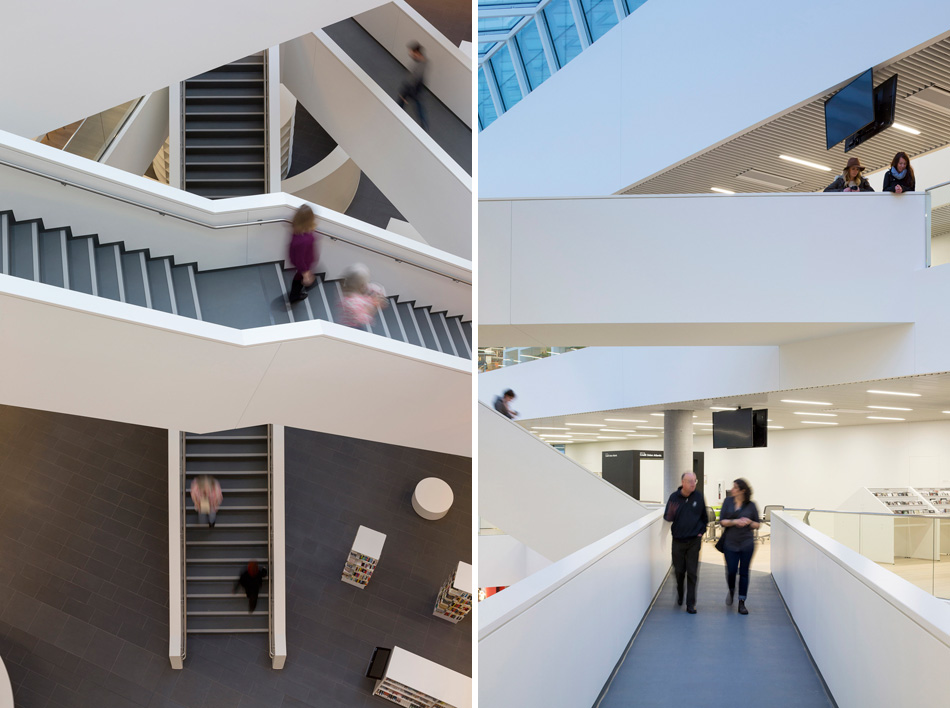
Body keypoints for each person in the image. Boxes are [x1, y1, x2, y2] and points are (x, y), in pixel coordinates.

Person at [663, 471, 706, 614]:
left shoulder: (698, 497)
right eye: (690, 481)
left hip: (694, 541)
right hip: (678, 541)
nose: (693, 483)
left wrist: (701, 533)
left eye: (695, 480)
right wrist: (671, 512)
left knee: (692, 573)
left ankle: (690, 604)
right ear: (683, 483)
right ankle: (680, 592)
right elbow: (667, 517)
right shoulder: (674, 498)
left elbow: (704, 517)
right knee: (679, 571)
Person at [718, 478, 760, 615]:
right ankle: (731, 589)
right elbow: (722, 521)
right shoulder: (727, 502)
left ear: (742, 490)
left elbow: (757, 524)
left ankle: (742, 601)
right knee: (731, 571)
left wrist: (749, 522)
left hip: (747, 543)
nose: (732, 490)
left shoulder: (751, 505)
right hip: (730, 543)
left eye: (735, 487)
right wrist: (735, 521)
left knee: (744, 572)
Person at [288, 204, 322, 303]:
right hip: (304, 265)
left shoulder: (298, 230)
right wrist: (306, 273)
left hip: (303, 262)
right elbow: (299, 259)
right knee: (299, 280)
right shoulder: (303, 240)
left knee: (300, 278)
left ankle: (295, 294)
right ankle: (294, 296)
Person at [338, 263, 388, 328]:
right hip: (352, 327)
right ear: (361, 285)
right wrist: (373, 307)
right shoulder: (355, 302)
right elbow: (365, 319)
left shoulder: (351, 297)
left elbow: (375, 289)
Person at [397, 42, 428, 130]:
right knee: (417, 106)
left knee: (417, 107)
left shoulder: (420, 65)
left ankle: (424, 126)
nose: (410, 54)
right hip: (414, 88)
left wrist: (404, 93)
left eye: (412, 52)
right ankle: (423, 125)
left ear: (417, 53)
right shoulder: (422, 61)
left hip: (412, 89)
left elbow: (413, 80)